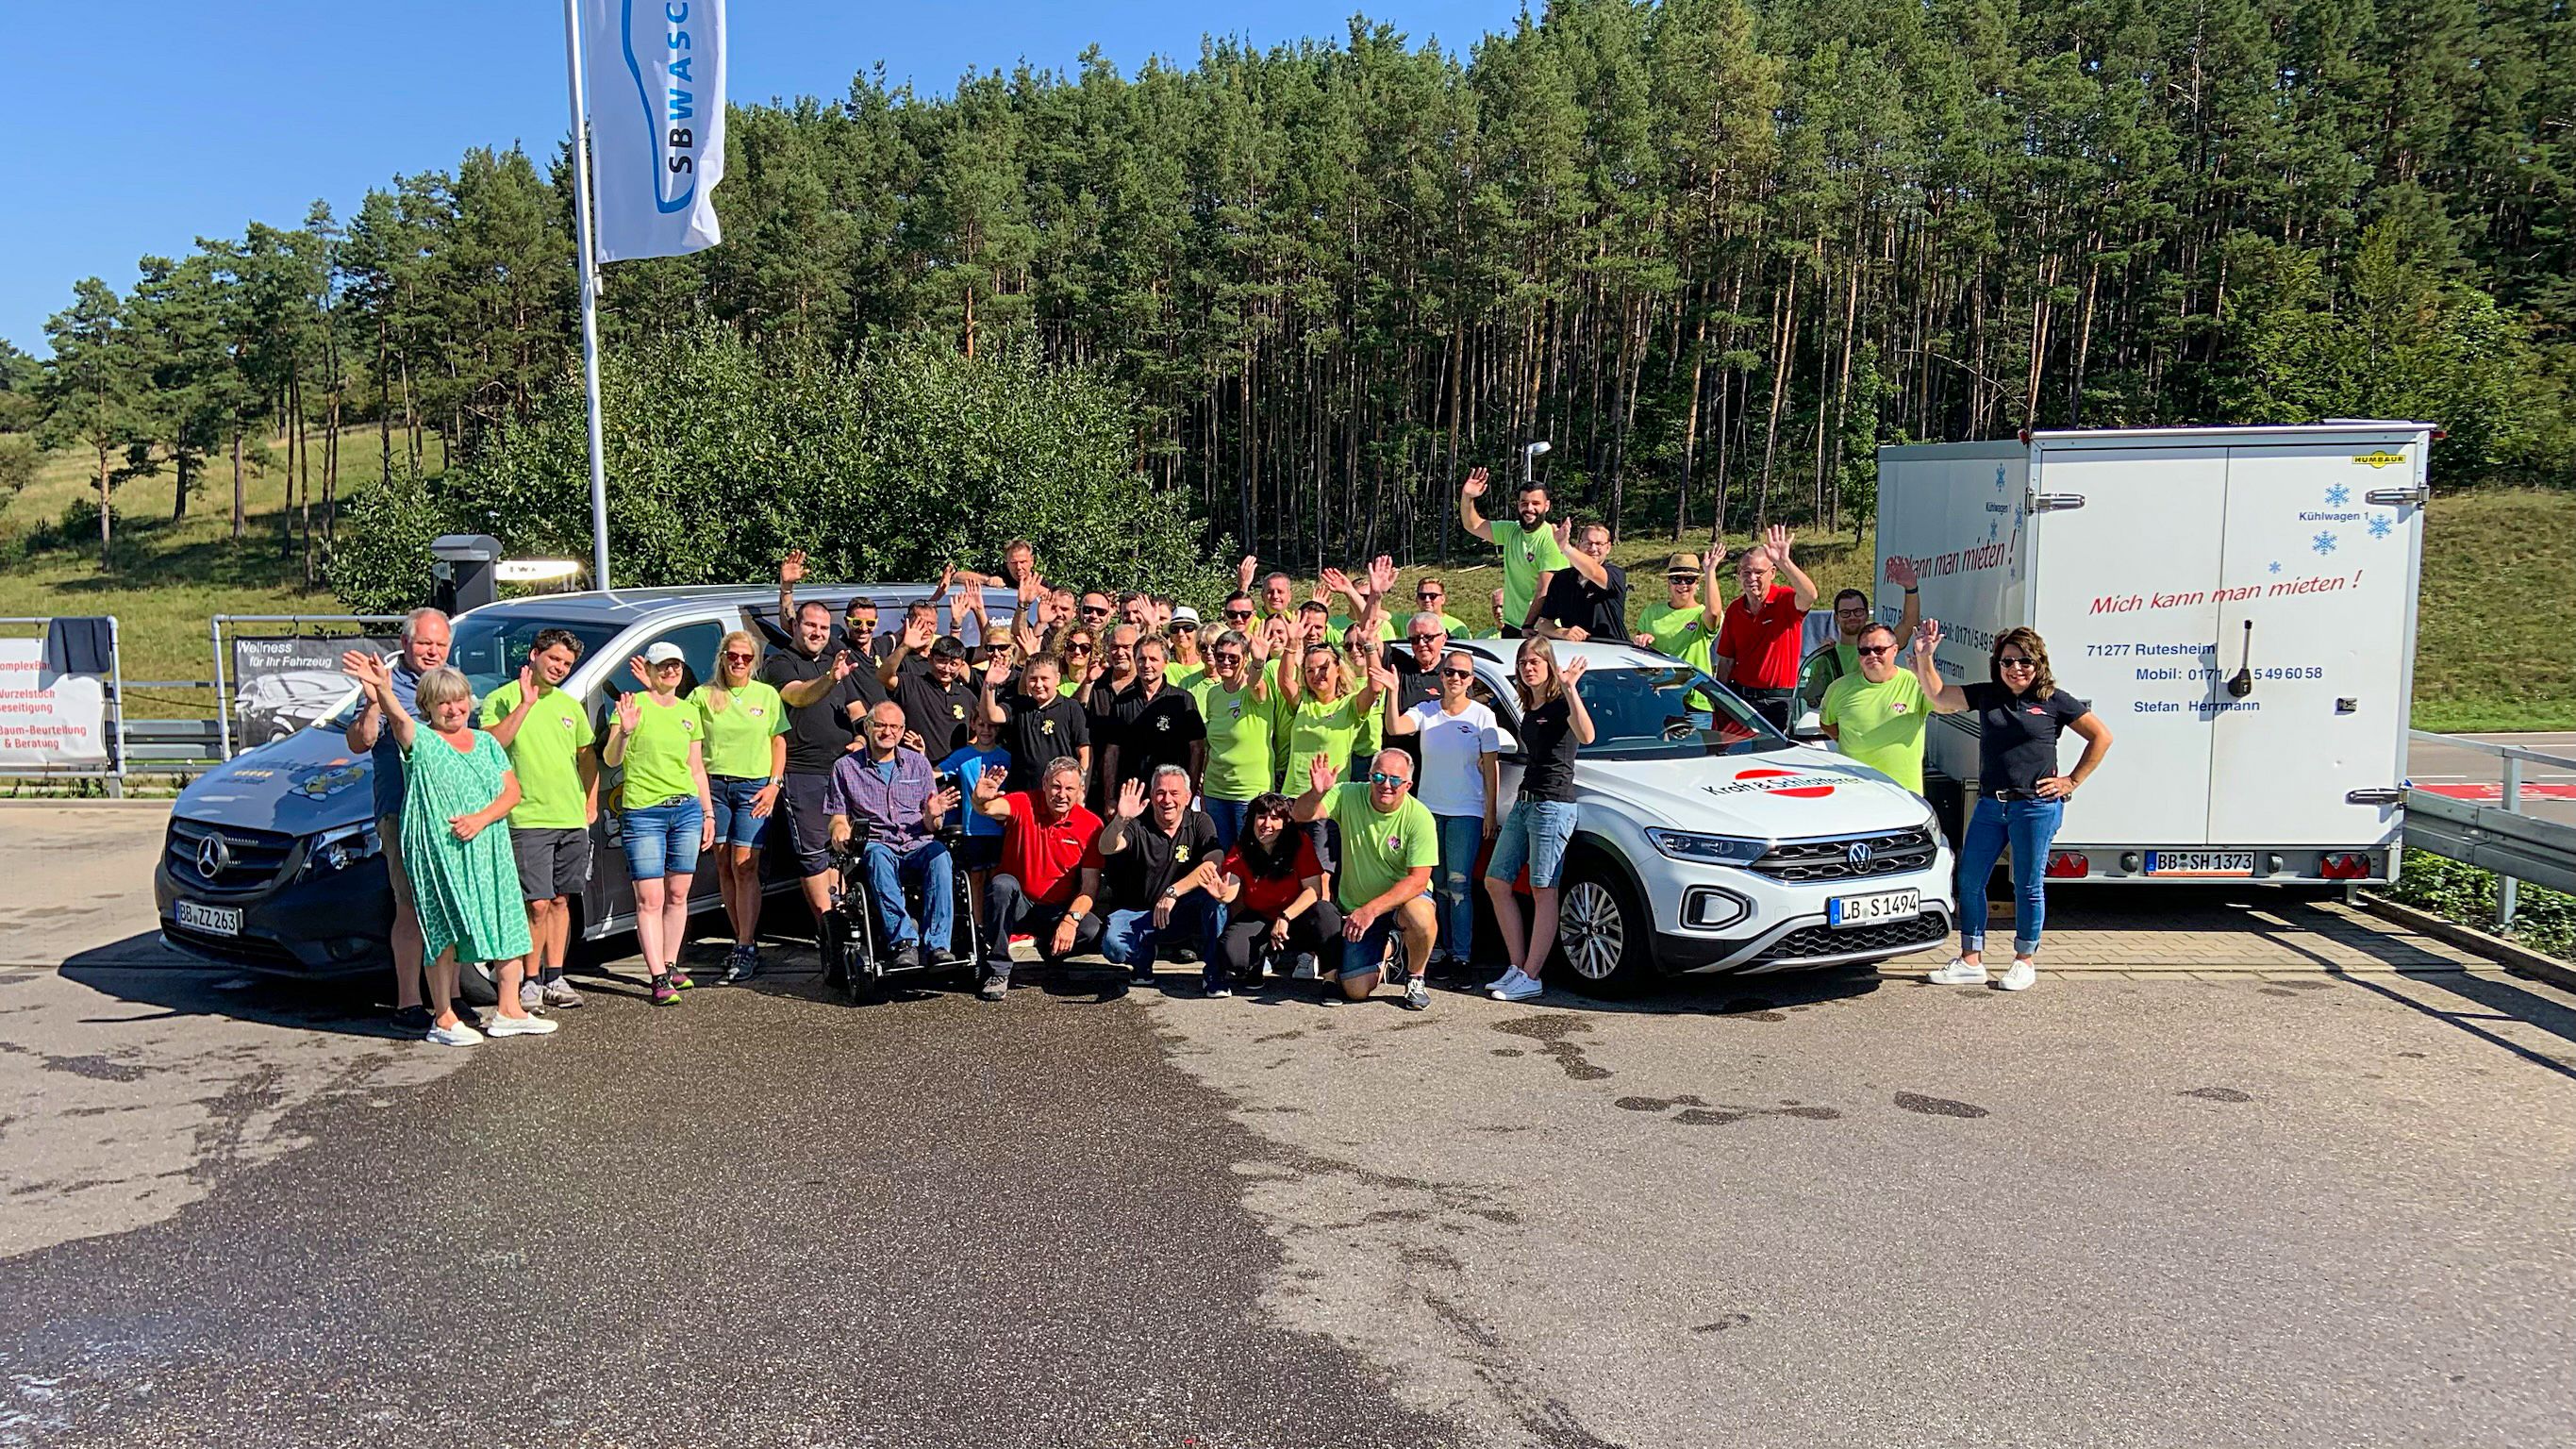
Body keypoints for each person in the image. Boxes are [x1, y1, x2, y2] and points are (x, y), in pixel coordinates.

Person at [340, 656, 547, 1045]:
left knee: (507, 923)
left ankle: (509, 1010)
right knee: (443, 928)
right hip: (441, 850)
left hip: (488, 846)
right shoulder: (421, 739)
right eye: (443, 703)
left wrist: (482, 819)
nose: (454, 709)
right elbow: (399, 721)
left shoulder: (486, 742)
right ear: (428, 708)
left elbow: (512, 792)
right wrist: (383, 689)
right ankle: (445, 1017)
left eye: (460, 700)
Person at [1913, 623, 2113, 991]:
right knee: (1970, 880)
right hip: (1992, 805)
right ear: (1998, 664)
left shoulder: (2055, 700)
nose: (2016, 669)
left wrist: (2071, 781)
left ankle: (2024, 960)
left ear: (2039, 663)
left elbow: (2102, 736)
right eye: (2008, 661)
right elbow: (1939, 697)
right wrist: (1925, 656)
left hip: (2035, 806)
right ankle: (1971, 959)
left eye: (2025, 661)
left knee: (2027, 884)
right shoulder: (1989, 695)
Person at [478, 627, 598, 1012]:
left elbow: (587, 757)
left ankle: (555, 976)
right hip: (526, 817)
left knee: (563, 900)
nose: (560, 667)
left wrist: (590, 802)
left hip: (569, 815)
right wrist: (525, 704)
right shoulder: (501, 700)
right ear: (534, 655)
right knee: (537, 903)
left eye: (566, 663)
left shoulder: (569, 706)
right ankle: (529, 981)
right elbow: (490, 745)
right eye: (554, 659)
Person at [343, 606, 451, 1031]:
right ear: (405, 643)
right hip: (401, 809)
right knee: (409, 907)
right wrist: (373, 705)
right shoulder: (384, 681)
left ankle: (450, 999)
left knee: (447, 908)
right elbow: (360, 742)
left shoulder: (452, 681)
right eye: (425, 642)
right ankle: (408, 1003)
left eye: (441, 644)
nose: (433, 651)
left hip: (450, 814)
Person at [762, 588, 881, 950]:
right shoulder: (781, 663)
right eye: (810, 625)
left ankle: (843, 927)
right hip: (804, 771)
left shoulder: (834, 662)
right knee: (813, 853)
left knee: (842, 849)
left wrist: (864, 738)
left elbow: (858, 709)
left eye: (824, 627)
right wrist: (831, 677)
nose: (817, 632)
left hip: (845, 770)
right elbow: (799, 695)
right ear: (796, 626)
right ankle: (829, 933)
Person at [603, 642, 716, 1007]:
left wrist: (708, 812)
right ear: (649, 671)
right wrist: (625, 731)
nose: (670, 672)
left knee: (679, 894)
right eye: (662, 667)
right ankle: (656, 976)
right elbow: (610, 758)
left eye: (676, 667)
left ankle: (670, 963)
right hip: (644, 811)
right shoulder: (632, 706)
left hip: (686, 810)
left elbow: (696, 768)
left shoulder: (688, 712)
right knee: (650, 897)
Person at [1484, 638, 1594, 1003]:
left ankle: (1532, 975)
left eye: (1535, 661)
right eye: (1523, 662)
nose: (1528, 667)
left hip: (1553, 805)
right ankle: (1518, 967)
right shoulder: (1530, 705)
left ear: (1549, 665)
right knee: (1497, 881)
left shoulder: (1563, 702)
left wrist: (1570, 688)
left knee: (1544, 890)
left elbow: (1587, 735)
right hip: (1526, 801)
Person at [1379, 649, 1500, 980]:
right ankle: (1440, 950)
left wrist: (1489, 811)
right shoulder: (1427, 710)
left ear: (1472, 679)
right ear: (1441, 676)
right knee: (1436, 886)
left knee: (1459, 886)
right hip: (1429, 812)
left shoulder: (1482, 716)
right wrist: (1392, 692)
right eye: (1449, 673)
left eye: (1462, 674)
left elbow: (1491, 767)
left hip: (1465, 812)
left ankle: (1461, 956)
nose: (1455, 679)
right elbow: (1395, 726)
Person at [1290, 749, 1438, 1009]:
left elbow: (1418, 880)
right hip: (1358, 907)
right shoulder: (1348, 794)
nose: (1385, 785)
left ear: (1408, 785)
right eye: (1379, 776)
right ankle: (1391, 947)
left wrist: (1371, 910)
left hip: (1399, 903)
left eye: (1395, 780)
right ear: (1369, 776)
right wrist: (1317, 794)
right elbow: (1300, 814)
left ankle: (1416, 977)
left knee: (1421, 917)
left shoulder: (1419, 816)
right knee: (1355, 990)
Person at [826, 701, 961, 972]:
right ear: (867, 727)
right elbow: (837, 818)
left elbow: (933, 826)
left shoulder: (918, 764)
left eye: (894, 727)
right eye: (881, 725)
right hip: (878, 844)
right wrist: (840, 831)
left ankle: (937, 945)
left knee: (940, 855)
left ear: (902, 731)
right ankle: (903, 942)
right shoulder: (845, 768)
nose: (888, 732)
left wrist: (933, 814)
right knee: (876, 854)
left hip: (916, 843)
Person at [691, 630, 789, 983]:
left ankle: (747, 943)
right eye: (733, 656)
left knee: (745, 864)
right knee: (723, 863)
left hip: (753, 786)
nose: (738, 662)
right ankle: (738, 939)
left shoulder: (766, 695)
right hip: (714, 785)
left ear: (755, 662)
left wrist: (773, 786)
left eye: (746, 658)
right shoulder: (702, 696)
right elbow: (685, 738)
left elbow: (778, 742)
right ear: (722, 657)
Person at [972, 757, 1105, 1000]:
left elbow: (1089, 888)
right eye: (1056, 786)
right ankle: (998, 969)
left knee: (1092, 929)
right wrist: (980, 800)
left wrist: (1069, 921)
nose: (1061, 794)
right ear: (1044, 783)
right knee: (1002, 885)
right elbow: (989, 808)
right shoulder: (1024, 802)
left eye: (1069, 788)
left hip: (1056, 911)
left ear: (1080, 791)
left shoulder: (1091, 825)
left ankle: (1052, 951)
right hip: (1020, 905)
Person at [1092, 769, 1227, 991]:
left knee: (1215, 899)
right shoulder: (1138, 824)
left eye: (1174, 793)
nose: (1167, 800)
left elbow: (1214, 862)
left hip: (1181, 912)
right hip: (1139, 914)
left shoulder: (1200, 821)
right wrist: (1120, 821)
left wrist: (1173, 892)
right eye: (1160, 792)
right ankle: (1142, 960)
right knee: (1114, 948)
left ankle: (1215, 976)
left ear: (1187, 797)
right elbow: (1106, 847)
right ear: (1152, 796)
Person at [1211, 792, 1339, 993]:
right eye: (1261, 816)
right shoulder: (1242, 847)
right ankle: (1256, 965)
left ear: (1286, 823)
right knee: (1233, 956)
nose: (1266, 823)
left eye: (1275, 818)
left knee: (1326, 913)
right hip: (1260, 917)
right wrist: (1221, 894)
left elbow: (1314, 890)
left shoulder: (1300, 842)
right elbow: (1230, 889)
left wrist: (1285, 917)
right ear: (1252, 819)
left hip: (1295, 917)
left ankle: (1330, 980)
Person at [1710, 525, 1819, 729]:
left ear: (1773, 573)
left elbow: (1810, 595)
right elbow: (1726, 661)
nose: (1752, 578)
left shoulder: (1785, 600)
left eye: (1759, 572)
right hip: (1740, 698)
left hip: (1776, 702)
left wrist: (1785, 561)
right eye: (1746, 572)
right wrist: (1720, 702)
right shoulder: (1735, 609)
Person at [1190, 627, 1280, 849]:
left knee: (1252, 855)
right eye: (1220, 656)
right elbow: (1211, 745)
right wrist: (1202, 786)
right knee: (1221, 853)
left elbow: (1255, 682)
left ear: (1245, 659)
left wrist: (1259, 663)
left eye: (1233, 657)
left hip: (1248, 792)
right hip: (1215, 791)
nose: (1226, 662)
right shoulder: (1214, 694)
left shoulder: (1254, 691)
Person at [1818, 623, 1931, 794]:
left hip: (1904, 794)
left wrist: (1926, 664)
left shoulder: (1915, 683)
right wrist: (1852, 741)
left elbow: (1945, 707)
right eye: (1864, 651)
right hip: (1853, 792)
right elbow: (1827, 724)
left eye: (1879, 650)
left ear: (1894, 650)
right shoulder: (1838, 688)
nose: (1872, 655)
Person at [1459, 465, 1569, 636]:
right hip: (1512, 626)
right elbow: (1472, 525)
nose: (1529, 508)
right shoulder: (1511, 531)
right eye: (1524, 503)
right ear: (1518, 505)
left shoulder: (1552, 539)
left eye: (1536, 503)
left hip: (1539, 628)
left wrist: (1527, 625)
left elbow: (1544, 591)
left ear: (1547, 506)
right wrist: (1467, 497)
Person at [1277, 639, 1385, 807]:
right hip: (1293, 795)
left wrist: (1370, 647)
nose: (1316, 675)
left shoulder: (1349, 704)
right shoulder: (1303, 701)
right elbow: (1284, 682)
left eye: (1323, 668)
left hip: (1330, 799)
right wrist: (1291, 643)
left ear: (1338, 670)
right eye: (1309, 671)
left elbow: (1376, 687)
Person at [938, 707, 1011, 934]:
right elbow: (936, 773)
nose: (986, 730)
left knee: (997, 879)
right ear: (973, 725)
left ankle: (996, 926)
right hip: (973, 829)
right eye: (981, 724)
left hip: (1000, 828)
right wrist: (918, 758)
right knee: (976, 879)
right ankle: (978, 927)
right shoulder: (962, 755)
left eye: (991, 725)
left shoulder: (1007, 757)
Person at [1105, 636, 1206, 792]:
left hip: (1169, 795)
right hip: (1131, 794)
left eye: (1153, 659)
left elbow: (1197, 749)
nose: (1147, 664)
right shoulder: (1122, 701)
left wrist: (1189, 792)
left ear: (1166, 663)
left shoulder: (1182, 700)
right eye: (1141, 659)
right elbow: (1112, 751)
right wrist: (1109, 797)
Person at [984, 649, 1090, 791]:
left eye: (1044, 679)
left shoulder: (1071, 708)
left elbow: (1083, 753)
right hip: (1022, 792)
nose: (1038, 685)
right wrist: (989, 686)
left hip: (1058, 794)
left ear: (1057, 679)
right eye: (1033, 679)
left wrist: (1080, 790)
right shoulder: (1018, 705)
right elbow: (990, 716)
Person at [880, 614, 977, 762]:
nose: (946, 669)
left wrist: (963, 760)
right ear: (930, 659)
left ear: (961, 665)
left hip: (952, 779)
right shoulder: (912, 684)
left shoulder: (967, 696)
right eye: (941, 662)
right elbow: (884, 676)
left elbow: (977, 734)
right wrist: (905, 647)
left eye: (953, 664)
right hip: (914, 773)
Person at [1537, 519, 1629, 643]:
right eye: (1588, 543)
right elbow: (1543, 624)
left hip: (1612, 651)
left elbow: (1593, 572)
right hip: (1574, 652)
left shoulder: (1615, 574)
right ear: (1578, 546)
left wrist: (1565, 547)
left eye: (1599, 544)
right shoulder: (1561, 579)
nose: (1593, 548)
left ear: (1608, 547)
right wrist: (1563, 632)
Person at [1632, 550, 1722, 672]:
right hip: (1659, 687)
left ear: (1697, 583)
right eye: (1676, 579)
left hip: (1693, 688)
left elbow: (1713, 613)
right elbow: (1637, 648)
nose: (1682, 584)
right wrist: (1641, 641)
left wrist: (1710, 572)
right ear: (1668, 583)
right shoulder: (1651, 613)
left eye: (1689, 580)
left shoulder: (1702, 614)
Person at [1408, 576, 1472, 638]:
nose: (1427, 600)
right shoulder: (1408, 622)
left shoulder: (1458, 627)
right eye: (1422, 596)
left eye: (1432, 596)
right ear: (1416, 599)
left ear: (1443, 599)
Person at [1166, 606, 1208, 690]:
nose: (1181, 633)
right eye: (1174, 629)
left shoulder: (1208, 663)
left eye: (1188, 628)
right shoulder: (1163, 666)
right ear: (1170, 636)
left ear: (1198, 633)